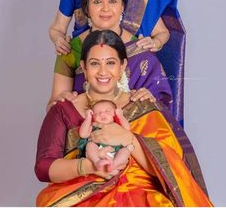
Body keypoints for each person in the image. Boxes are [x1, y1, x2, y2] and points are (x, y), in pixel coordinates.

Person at [35, 30, 212, 207]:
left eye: (111, 63)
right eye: (95, 63)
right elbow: (43, 168)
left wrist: (128, 139)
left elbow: (170, 168)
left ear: (122, 66)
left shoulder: (142, 104)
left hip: (142, 194)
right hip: (82, 195)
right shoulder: (63, 109)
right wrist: (89, 166)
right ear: (84, 67)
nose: (103, 72)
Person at [49, 0, 185, 125]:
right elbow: (56, 29)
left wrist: (154, 44)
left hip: (135, 69)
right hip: (84, 74)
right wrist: (59, 40)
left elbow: (162, 34)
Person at [49, 0, 173, 115]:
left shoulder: (141, 50)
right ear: (86, 8)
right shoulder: (71, 50)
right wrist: (61, 104)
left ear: (122, 7)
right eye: (97, 2)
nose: (105, 8)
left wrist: (150, 101)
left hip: (130, 133)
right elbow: (52, 109)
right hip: (83, 132)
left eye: (112, 1)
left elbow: (163, 111)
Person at [78, 99, 131, 173]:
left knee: (125, 150)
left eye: (107, 111)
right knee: (90, 145)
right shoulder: (93, 125)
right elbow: (83, 135)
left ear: (115, 113)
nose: (102, 114)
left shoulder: (117, 125)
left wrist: (120, 115)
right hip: (98, 150)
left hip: (116, 151)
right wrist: (88, 118)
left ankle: (114, 164)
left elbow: (127, 129)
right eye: (97, 113)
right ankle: (97, 162)